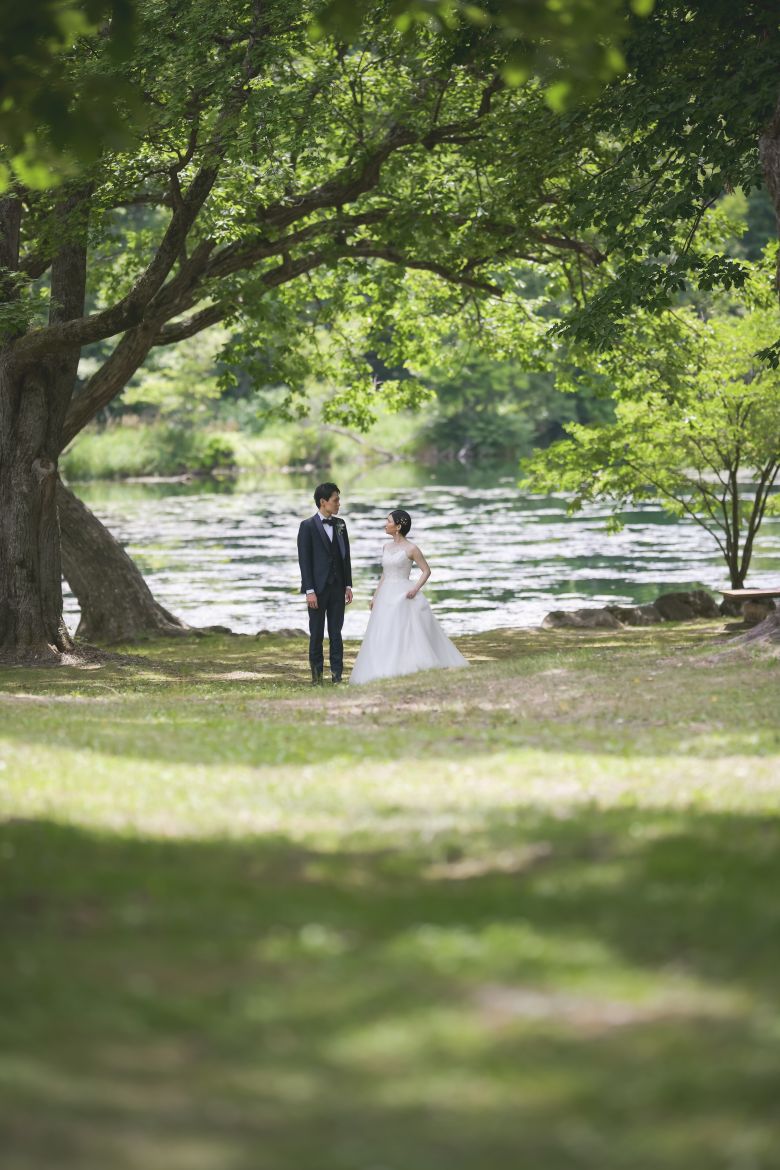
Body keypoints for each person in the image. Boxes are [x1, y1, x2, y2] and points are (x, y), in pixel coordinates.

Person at [349, 508, 468, 686]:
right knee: (383, 631)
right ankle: (381, 667)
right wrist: (375, 596)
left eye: (388, 521)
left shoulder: (411, 548)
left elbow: (426, 571)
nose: (385, 524)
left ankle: (408, 664)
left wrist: (415, 588)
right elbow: (384, 574)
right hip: (385, 595)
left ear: (397, 526)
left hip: (403, 593)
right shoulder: (386, 547)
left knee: (404, 630)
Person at [297, 482, 353, 684]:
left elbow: (345, 557)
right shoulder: (307, 526)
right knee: (317, 634)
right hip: (317, 590)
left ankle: (337, 676)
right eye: (335, 500)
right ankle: (317, 677)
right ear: (323, 502)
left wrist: (348, 585)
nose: (339, 503)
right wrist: (309, 590)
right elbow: (305, 561)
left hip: (338, 587)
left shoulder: (340, 524)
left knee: (336, 633)